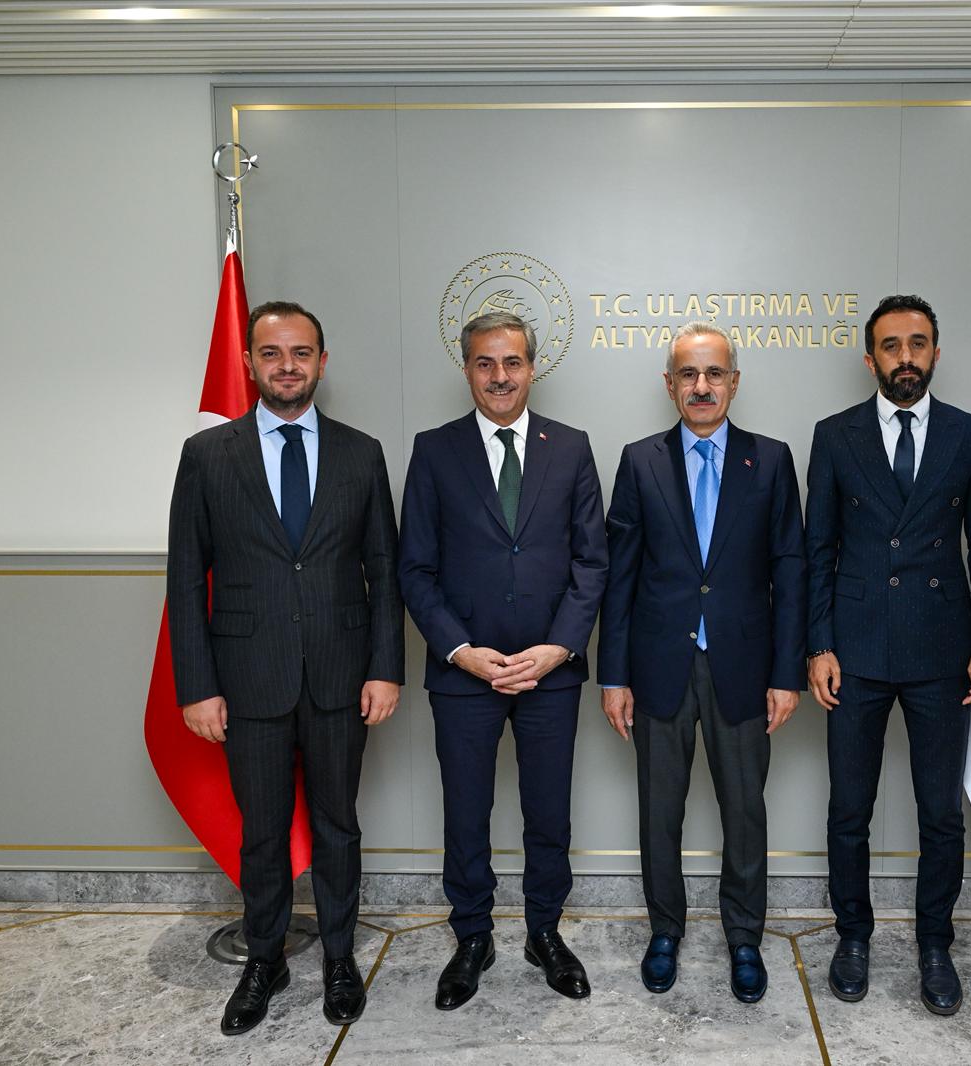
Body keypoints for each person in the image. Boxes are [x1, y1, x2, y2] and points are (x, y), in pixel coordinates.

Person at [167, 300, 404, 1035]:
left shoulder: (362, 452)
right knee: (263, 833)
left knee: (338, 825)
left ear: (322, 362)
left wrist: (386, 668)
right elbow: (185, 577)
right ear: (249, 363)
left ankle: (338, 957)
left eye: (301, 353)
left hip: (341, 676)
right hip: (248, 678)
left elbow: (384, 570)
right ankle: (263, 959)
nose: (287, 366)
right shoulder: (208, 454)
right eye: (272, 354)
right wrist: (197, 686)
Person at [399, 311, 608, 1010]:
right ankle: (472, 937)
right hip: (465, 675)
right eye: (485, 363)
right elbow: (414, 568)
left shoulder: (570, 447)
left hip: (551, 673)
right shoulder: (434, 450)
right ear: (466, 369)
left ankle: (545, 932)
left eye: (512, 362)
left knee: (549, 813)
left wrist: (559, 647)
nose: (500, 376)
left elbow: (592, 562)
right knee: (466, 812)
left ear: (532, 367)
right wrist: (460, 651)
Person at [804, 294, 971, 1016]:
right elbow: (817, 549)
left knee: (940, 814)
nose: (905, 358)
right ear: (871, 359)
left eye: (917, 344)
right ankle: (852, 937)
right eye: (891, 346)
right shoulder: (835, 435)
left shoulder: (967, 434)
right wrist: (819, 644)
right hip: (855, 650)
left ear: (935, 353)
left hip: (942, 648)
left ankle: (934, 946)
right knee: (849, 810)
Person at [598, 322, 805, 1003]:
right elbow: (620, 577)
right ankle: (665, 931)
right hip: (659, 665)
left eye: (714, 373)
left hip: (743, 666)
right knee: (660, 810)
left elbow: (790, 571)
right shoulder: (640, 461)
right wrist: (614, 675)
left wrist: (786, 674)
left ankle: (744, 937)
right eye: (688, 374)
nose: (702, 386)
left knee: (745, 810)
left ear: (734, 382)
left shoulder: (770, 460)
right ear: (670, 385)